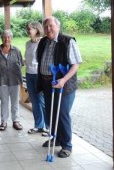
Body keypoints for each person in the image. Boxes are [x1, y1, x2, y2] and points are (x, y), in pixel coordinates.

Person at [37, 16, 82, 158]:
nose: (48, 29)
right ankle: (56, 137)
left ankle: (67, 145)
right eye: (45, 27)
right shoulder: (43, 41)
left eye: (51, 26)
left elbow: (76, 64)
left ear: (58, 26)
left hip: (63, 84)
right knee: (50, 112)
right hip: (47, 84)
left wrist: (63, 79)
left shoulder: (67, 41)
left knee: (62, 113)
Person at [0, 29, 23, 131]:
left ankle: (16, 121)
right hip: (2, 80)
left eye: (9, 37)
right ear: (1, 38)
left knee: (15, 102)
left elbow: (21, 64)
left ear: (11, 38)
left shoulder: (17, 51)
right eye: (4, 37)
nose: (6, 39)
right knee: (4, 102)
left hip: (15, 80)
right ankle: (4, 121)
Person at [25, 22, 48, 136]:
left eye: (31, 29)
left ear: (37, 30)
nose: (28, 31)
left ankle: (48, 127)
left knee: (41, 101)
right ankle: (38, 126)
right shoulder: (27, 44)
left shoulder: (43, 43)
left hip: (39, 75)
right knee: (34, 101)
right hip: (29, 74)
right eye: (28, 29)